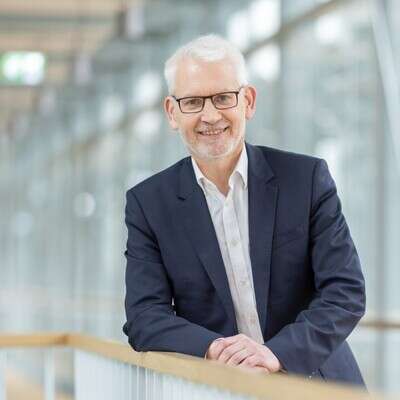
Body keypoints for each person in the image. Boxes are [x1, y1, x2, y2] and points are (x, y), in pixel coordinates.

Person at [123, 34, 366, 387]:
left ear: (248, 101)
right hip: (219, 388)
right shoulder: (148, 204)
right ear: (172, 113)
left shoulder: (306, 180)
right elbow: (144, 317)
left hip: (317, 384)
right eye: (192, 101)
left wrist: (276, 354)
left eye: (223, 97)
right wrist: (216, 350)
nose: (210, 115)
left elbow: (345, 292)